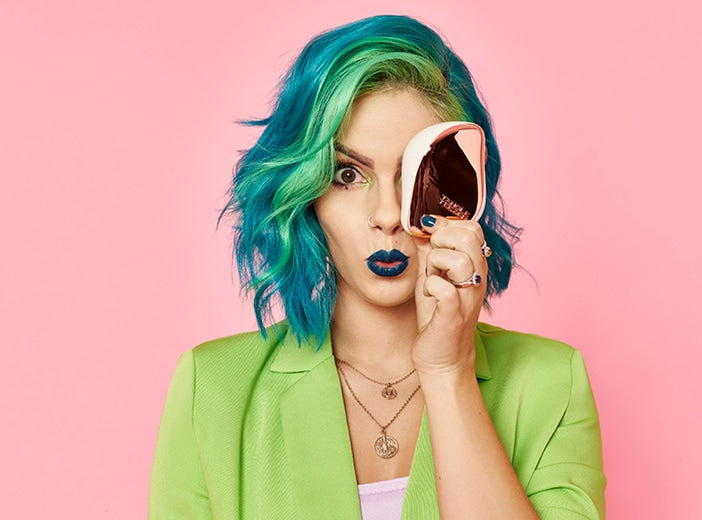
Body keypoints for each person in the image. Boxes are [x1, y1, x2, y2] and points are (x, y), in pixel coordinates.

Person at [149, 14, 605, 520]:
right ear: (307, 193)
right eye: (348, 174)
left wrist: (448, 373)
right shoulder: (212, 390)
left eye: (418, 175)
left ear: (463, 189)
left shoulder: (550, 385)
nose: (387, 215)